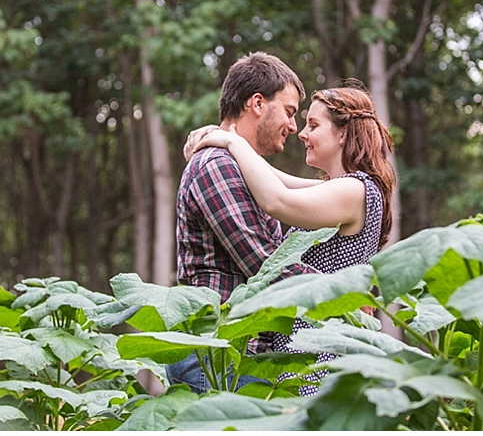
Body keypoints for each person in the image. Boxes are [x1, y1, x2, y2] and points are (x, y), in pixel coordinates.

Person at [190, 81, 396, 394]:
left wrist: (231, 143)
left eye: (313, 124)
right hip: (308, 347)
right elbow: (278, 180)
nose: (301, 132)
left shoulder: (355, 189)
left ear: (343, 133)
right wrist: (222, 136)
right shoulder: (342, 189)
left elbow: (277, 201)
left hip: (323, 352)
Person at [167, 52, 320, 394]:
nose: (294, 127)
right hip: (216, 354)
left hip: (239, 352)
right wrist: (346, 292)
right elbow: (264, 265)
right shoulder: (215, 165)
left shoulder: (243, 167)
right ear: (257, 103)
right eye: (290, 112)